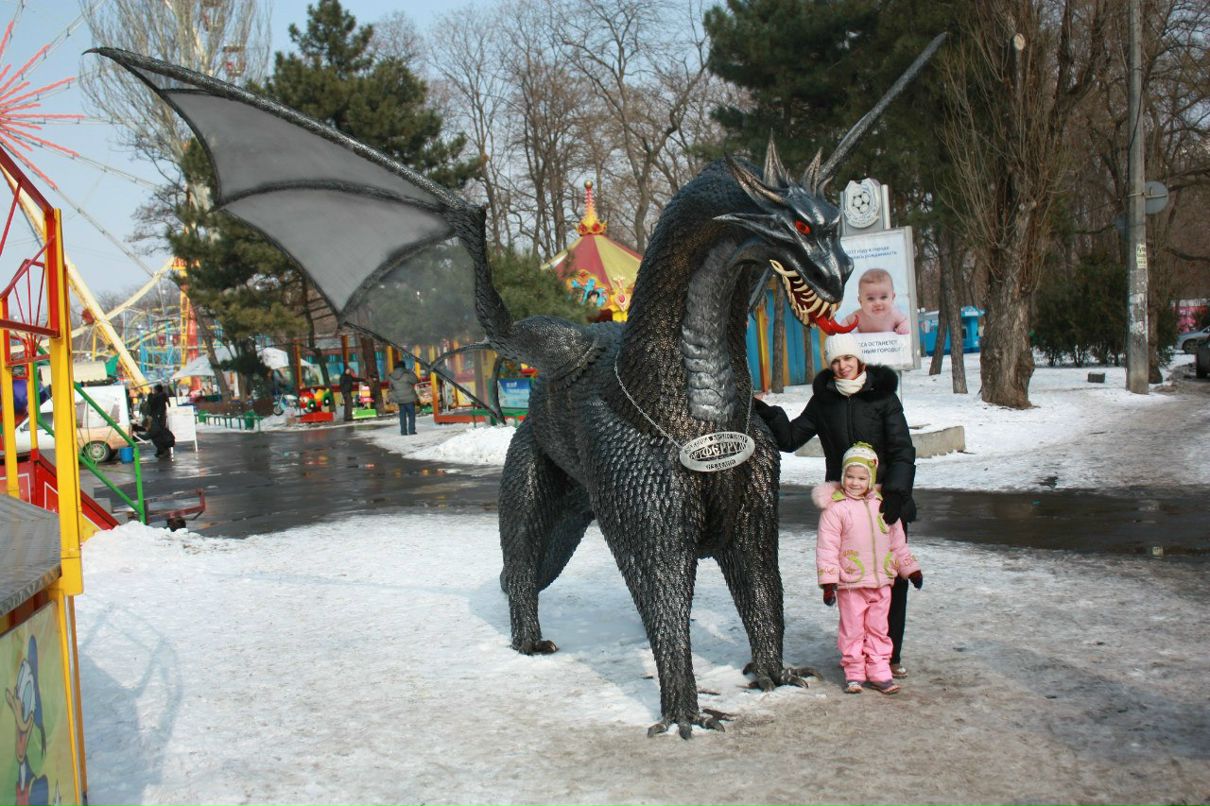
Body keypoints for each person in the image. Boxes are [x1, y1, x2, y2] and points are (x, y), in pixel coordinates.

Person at [753, 331, 918, 678]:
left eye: (848, 359)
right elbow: (792, 438)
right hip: (845, 503)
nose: (842, 367)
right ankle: (857, 657)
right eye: (836, 361)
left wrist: (897, 493)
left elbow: (903, 450)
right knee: (853, 580)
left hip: (885, 500)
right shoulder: (824, 401)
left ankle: (889, 656)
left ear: (859, 360)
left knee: (890, 580)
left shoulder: (883, 397)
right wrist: (768, 413)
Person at [814, 442, 923, 694]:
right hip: (851, 583)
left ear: (871, 478)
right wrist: (829, 582)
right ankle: (854, 671)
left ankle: (880, 670)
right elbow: (827, 548)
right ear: (842, 477)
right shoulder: (835, 509)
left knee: (879, 629)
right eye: (850, 476)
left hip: (882, 581)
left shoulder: (882, 506)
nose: (854, 482)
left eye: (861, 477)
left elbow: (898, 543)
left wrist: (911, 569)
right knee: (852, 629)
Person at [840, 268, 910, 334]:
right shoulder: (859, 316)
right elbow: (846, 321)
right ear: (860, 301)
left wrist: (903, 326)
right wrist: (843, 331)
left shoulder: (894, 314)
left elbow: (905, 321)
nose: (877, 303)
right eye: (871, 298)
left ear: (892, 298)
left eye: (883, 297)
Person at [387, 360, 420, 435]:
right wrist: (410, 372)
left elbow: (391, 388)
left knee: (402, 415)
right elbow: (415, 380)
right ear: (403, 366)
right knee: (411, 415)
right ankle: (411, 431)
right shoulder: (406, 374)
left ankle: (403, 431)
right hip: (409, 398)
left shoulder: (391, 376)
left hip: (399, 399)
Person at [146, 383, 175, 458]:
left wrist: (149, 395)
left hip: (158, 417)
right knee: (160, 434)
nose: (153, 391)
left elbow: (151, 404)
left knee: (157, 435)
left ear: (157, 390)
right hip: (161, 416)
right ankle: (161, 450)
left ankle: (163, 451)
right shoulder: (163, 395)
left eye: (154, 390)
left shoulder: (157, 396)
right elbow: (168, 404)